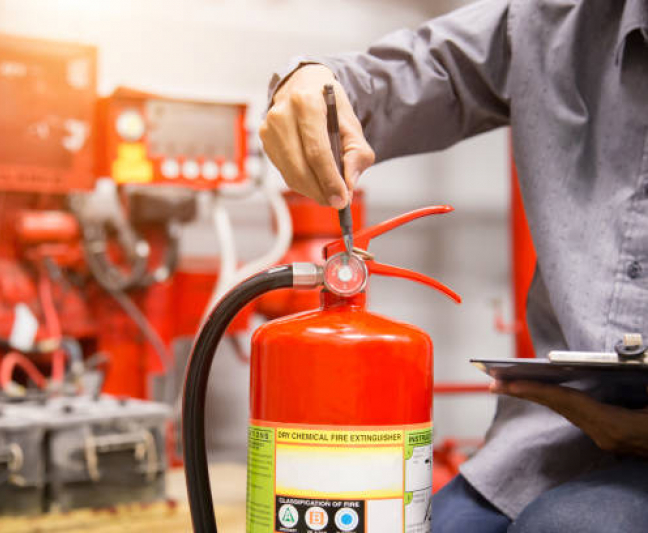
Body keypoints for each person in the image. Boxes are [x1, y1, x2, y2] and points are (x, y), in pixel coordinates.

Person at [260, 0, 648, 531]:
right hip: (550, 436)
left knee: (570, 525)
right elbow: (418, 69)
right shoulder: (555, 21)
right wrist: (314, 86)